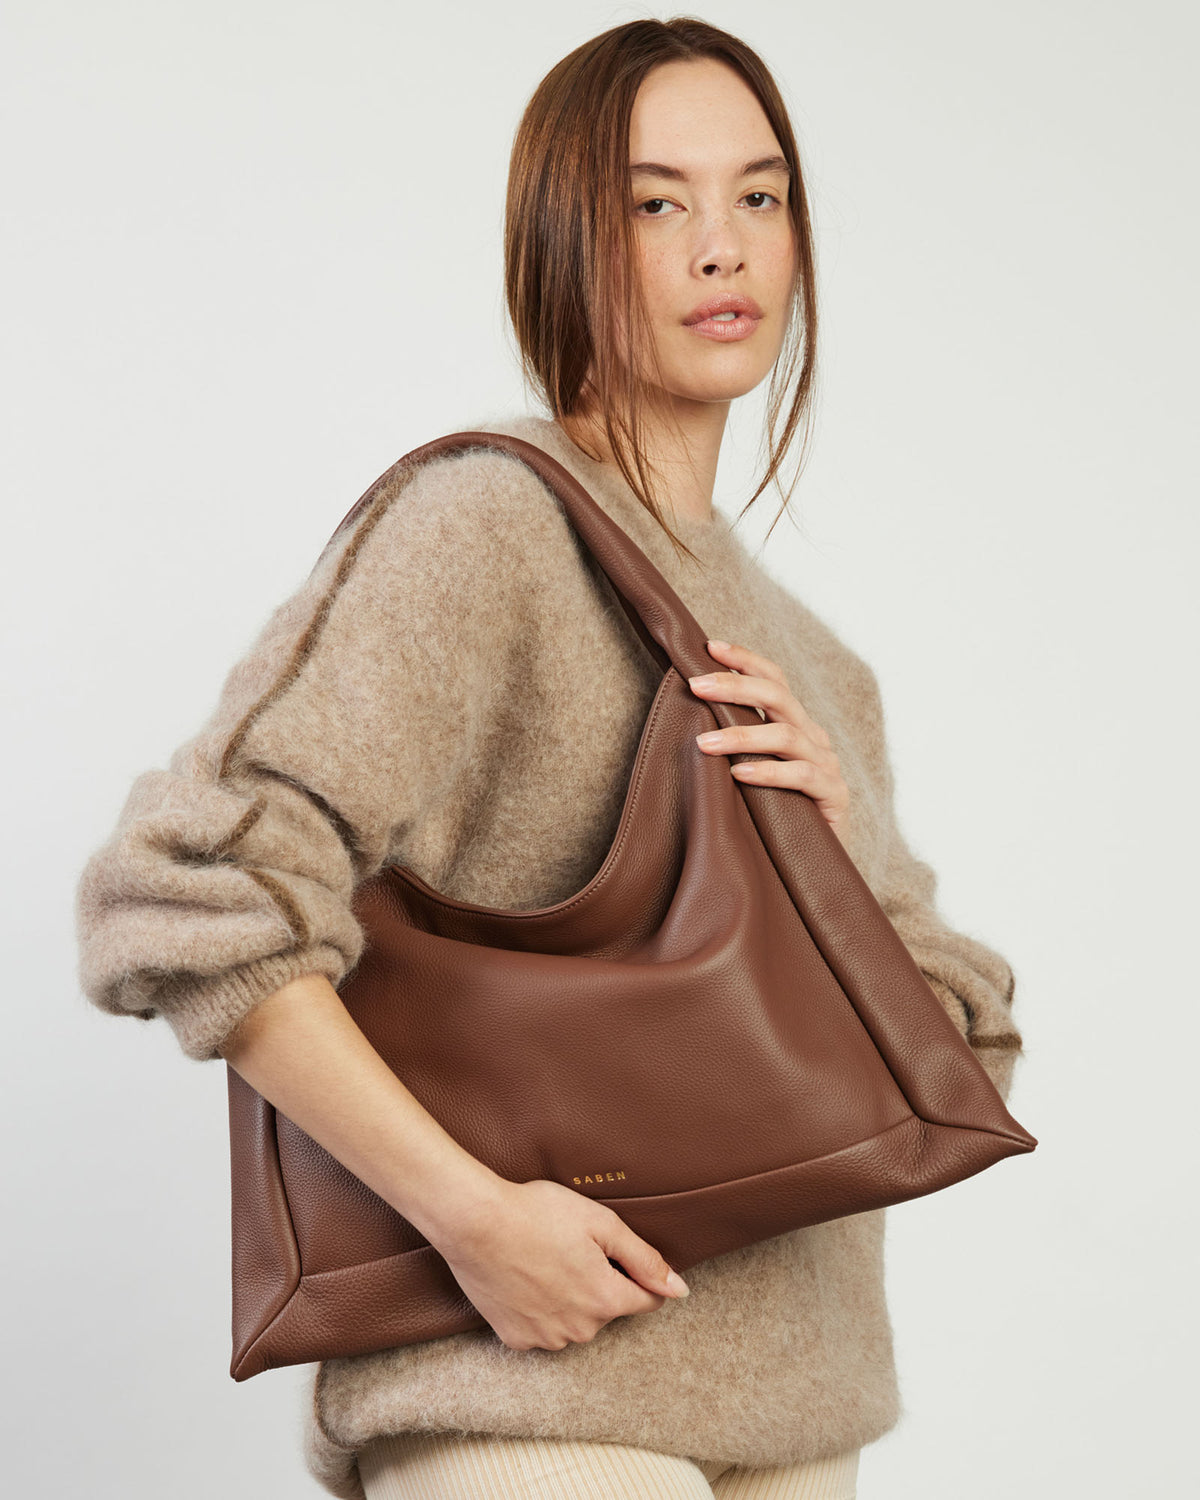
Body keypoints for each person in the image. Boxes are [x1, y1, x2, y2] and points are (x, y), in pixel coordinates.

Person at [74, 17, 1025, 1500]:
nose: (721, 245)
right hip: (527, 1404)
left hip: (802, 1412)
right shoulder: (486, 525)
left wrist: (829, 844)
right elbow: (188, 892)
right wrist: (470, 1217)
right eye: (656, 203)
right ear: (563, 243)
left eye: (759, 196)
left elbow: (956, 1057)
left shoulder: (818, 663)